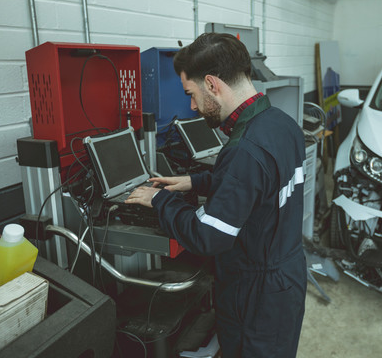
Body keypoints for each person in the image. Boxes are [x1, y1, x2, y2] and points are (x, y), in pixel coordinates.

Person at [125, 32, 307, 357]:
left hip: (257, 296)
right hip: (285, 278)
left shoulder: (246, 149)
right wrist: (193, 182)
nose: (192, 106)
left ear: (211, 84)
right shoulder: (281, 123)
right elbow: (258, 186)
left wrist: (159, 200)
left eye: (191, 94)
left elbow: (208, 236)